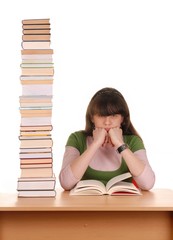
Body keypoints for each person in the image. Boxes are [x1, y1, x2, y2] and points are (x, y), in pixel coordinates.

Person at [59, 87, 155, 191]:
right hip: (85, 205)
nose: (107, 122)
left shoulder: (133, 141)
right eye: (101, 115)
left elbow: (148, 184)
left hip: (124, 206)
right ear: (92, 118)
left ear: (122, 118)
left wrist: (120, 144)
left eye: (113, 115)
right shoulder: (77, 138)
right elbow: (66, 183)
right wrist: (95, 144)